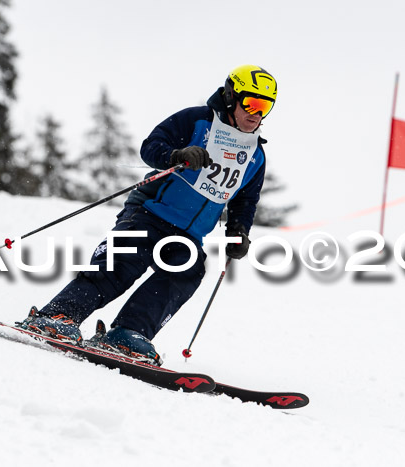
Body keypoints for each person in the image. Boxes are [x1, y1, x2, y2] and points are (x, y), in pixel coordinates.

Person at [18, 65, 278, 366]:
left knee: (186, 273)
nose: (257, 113)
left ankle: (128, 333)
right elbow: (150, 147)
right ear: (232, 96)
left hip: (189, 234)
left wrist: (239, 231)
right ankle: (58, 316)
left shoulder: (256, 154)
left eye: (265, 106)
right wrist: (177, 155)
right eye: (252, 103)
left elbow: (246, 199)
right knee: (122, 263)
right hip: (150, 211)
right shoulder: (196, 121)